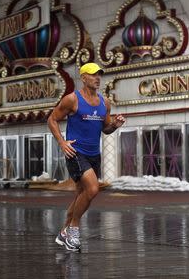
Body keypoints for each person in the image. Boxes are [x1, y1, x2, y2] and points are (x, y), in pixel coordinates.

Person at [47, 62, 126, 252]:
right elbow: (52, 119)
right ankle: (73, 229)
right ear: (83, 78)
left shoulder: (104, 102)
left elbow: (105, 129)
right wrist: (62, 142)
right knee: (92, 189)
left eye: (99, 75)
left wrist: (115, 125)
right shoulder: (72, 99)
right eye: (92, 75)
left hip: (94, 155)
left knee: (82, 194)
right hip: (76, 152)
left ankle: (64, 232)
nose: (97, 78)